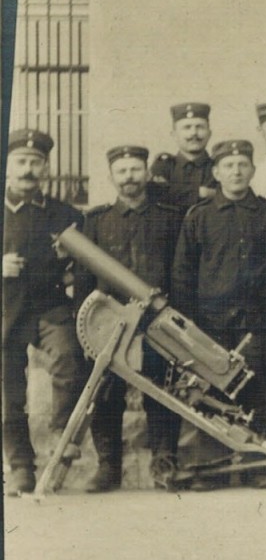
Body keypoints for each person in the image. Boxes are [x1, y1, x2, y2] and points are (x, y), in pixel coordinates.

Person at [171, 140, 266, 489]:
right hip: (210, 321)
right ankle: (206, 469)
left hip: (257, 322)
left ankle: (259, 465)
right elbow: (183, 272)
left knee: (258, 389)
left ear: (252, 170)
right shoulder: (199, 216)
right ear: (216, 172)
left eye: (242, 164)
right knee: (207, 392)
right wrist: (189, 324)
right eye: (229, 166)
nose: (236, 171)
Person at [77, 145, 184, 492]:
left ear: (146, 173)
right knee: (107, 394)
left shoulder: (169, 217)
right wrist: (86, 333)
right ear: (111, 177)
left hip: (157, 322)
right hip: (110, 324)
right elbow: (83, 281)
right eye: (122, 171)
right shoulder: (96, 221)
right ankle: (109, 467)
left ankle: (164, 463)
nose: (129, 177)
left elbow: (180, 271)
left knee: (162, 390)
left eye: (135, 170)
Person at [3, 128, 88, 497]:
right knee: (8, 391)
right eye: (21, 161)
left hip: (49, 308)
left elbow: (82, 261)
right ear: (8, 165)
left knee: (71, 358)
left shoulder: (63, 213)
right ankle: (20, 465)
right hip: (6, 311)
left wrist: (70, 270)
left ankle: (59, 441)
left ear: (46, 167)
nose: (27, 169)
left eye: (35, 162)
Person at [150, 102, 217, 210]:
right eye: (187, 127)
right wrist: (201, 193)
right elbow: (155, 193)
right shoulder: (163, 166)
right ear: (174, 135)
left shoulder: (219, 166)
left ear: (209, 133)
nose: (194, 133)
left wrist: (173, 191)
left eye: (200, 127)